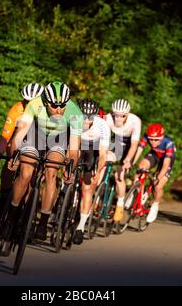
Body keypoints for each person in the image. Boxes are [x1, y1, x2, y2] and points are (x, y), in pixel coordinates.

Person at [9, 81, 83, 241]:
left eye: (62, 105)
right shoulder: (35, 104)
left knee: (51, 172)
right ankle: (12, 214)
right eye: (54, 105)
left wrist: (70, 169)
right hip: (36, 133)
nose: (59, 109)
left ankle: (42, 222)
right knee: (26, 172)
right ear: (45, 101)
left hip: (59, 137)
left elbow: (74, 149)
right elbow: (19, 135)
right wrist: (13, 155)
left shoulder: (75, 112)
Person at [0, 83, 45, 217]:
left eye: (32, 102)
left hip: (38, 143)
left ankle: (27, 213)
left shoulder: (46, 112)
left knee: (32, 176)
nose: (28, 105)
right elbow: (5, 138)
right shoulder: (17, 109)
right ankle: (4, 197)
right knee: (10, 162)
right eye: (26, 101)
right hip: (18, 142)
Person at [72, 99, 111, 245]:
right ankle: (64, 196)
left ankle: (80, 227)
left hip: (93, 150)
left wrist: (97, 170)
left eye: (90, 118)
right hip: (77, 145)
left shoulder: (102, 126)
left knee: (88, 187)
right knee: (67, 172)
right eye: (84, 117)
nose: (87, 121)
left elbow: (102, 154)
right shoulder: (73, 119)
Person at [104, 99, 141, 223]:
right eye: (116, 115)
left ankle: (120, 204)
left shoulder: (135, 121)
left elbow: (134, 144)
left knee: (119, 175)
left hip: (130, 145)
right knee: (101, 164)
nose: (118, 118)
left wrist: (127, 160)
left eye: (122, 116)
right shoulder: (108, 118)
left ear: (128, 114)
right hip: (117, 141)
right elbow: (103, 138)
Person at [132, 123, 176, 223]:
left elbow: (165, 165)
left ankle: (155, 205)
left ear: (162, 137)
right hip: (154, 155)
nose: (152, 142)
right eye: (150, 139)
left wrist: (158, 178)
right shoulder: (146, 137)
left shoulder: (169, 143)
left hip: (166, 160)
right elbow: (138, 151)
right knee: (141, 167)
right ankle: (136, 192)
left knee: (157, 186)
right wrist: (132, 163)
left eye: (156, 140)